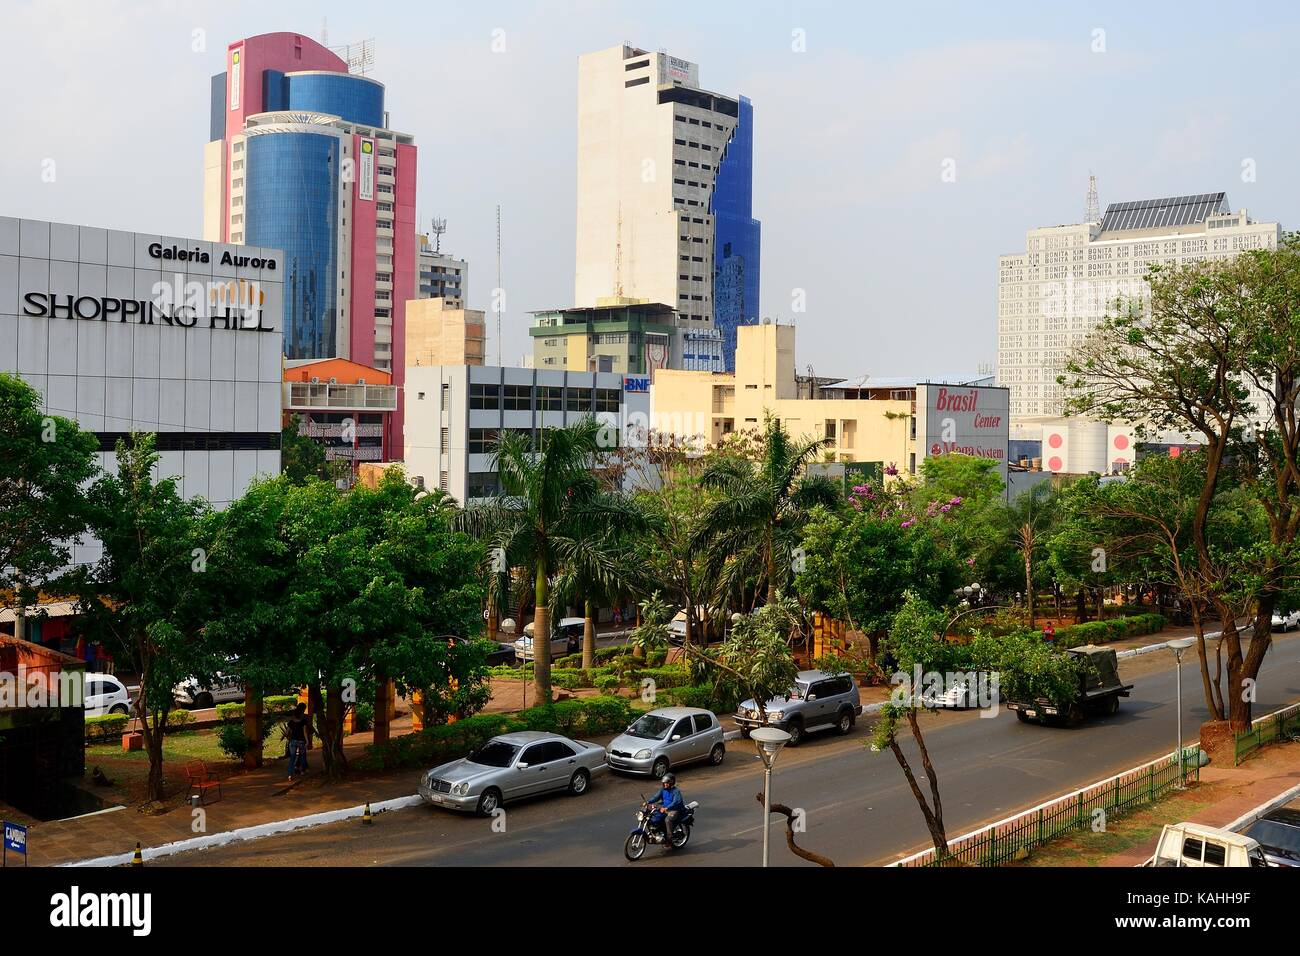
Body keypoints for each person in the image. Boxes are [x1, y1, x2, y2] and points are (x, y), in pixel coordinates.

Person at [646, 772, 686, 848]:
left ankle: (669, 839)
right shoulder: (662, 790)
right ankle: (657, 832)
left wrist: (667, 808)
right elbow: (656, 797)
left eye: (667, 783)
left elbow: (676, 802)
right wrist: (648, 802)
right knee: (654, 816)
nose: (665, 785)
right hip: (664, 809)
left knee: (668, 820)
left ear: (671, 783)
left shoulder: (676, 791)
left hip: (674, 810)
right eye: (664, 783)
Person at [286, 703, 310, 779]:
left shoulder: (291, 722)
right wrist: (307, 741)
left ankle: (290, 774)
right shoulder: (303, 722)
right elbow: (305, 732)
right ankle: (302, 771)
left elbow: (287, 733)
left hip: (293, 741)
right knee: (302, 756)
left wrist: (289, 738)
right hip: (301, 741)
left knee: (292, 758)